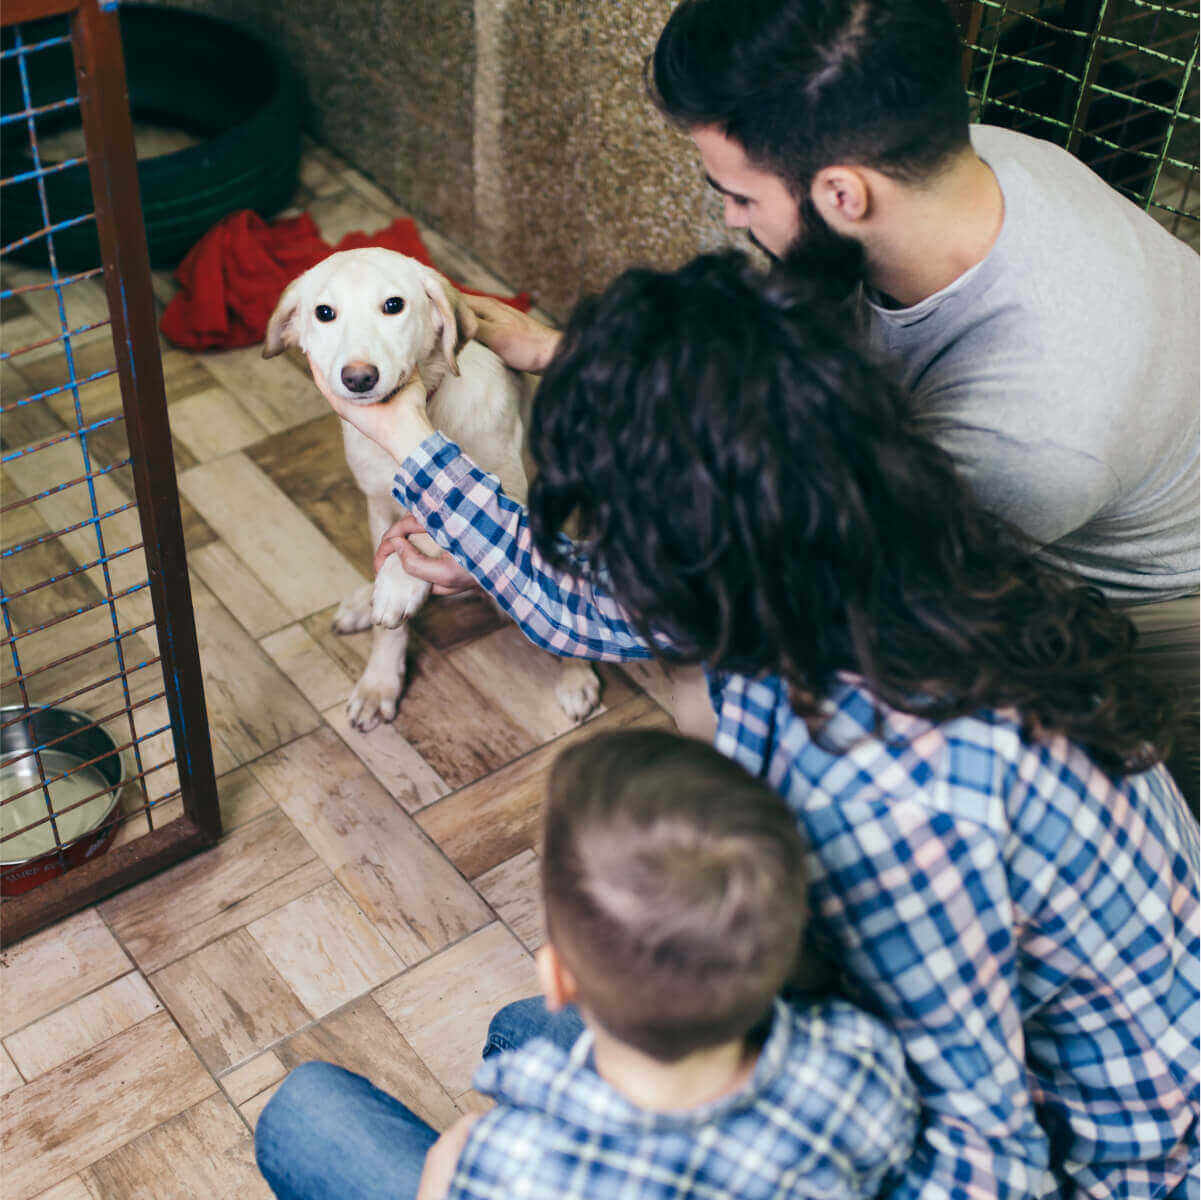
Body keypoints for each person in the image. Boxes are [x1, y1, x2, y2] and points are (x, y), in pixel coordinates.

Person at [308, 252, 1200, 1199]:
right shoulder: (853, 553)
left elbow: (985, 1169)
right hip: (921, 1070)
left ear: (686, 538)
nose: (602, 551)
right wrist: (413, 439)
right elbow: (580, 605)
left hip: (1088, 1169)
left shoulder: (900, 790)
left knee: (319, 1122)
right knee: (522, 1041)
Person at [397, 0, 1201, 800]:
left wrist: (492, 548)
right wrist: (564, 350)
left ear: (841, 195)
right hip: (1019, 517)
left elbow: (739, 590)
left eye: (739, 197)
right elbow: (779, 378)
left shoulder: (1029, 433)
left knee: (727, 695)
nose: (726, 215)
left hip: (1143, 621)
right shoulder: (955, 166)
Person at [254, 729, 919, 1200]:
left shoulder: (507, 1165)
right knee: (516, 1028)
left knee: (303, 1110)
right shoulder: (860, 1058)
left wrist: (451, 1169)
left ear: (559, 978)